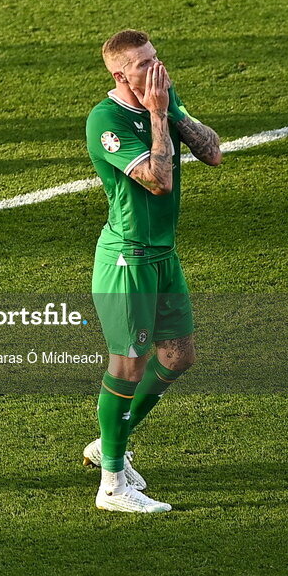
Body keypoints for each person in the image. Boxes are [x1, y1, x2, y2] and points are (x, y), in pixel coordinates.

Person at [84, 29, 222, 512]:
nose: (156, 69)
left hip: (163, 255)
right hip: (128, 259)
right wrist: (160, 114)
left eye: (156, 57)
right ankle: (111, 487)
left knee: (178, 356)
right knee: (127, 365)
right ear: (120, 75)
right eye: (143, 65)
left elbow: (213, 151)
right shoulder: (106, 121)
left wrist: (170, 111)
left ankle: (109, 441)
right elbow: (159, 182)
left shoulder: (163, 96)